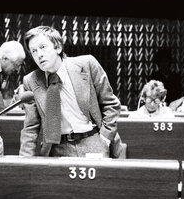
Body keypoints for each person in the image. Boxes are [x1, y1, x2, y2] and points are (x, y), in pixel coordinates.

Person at [19, 25, 121, 157]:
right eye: (34, 51)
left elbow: (111, 104)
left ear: (58, 47)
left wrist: (105, 138)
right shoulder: (31, 81)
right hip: (57, 148)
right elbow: (30, 128)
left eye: (43, 47)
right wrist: (24, 162)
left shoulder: (87, 64)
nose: (39, 55)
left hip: (93, 141)